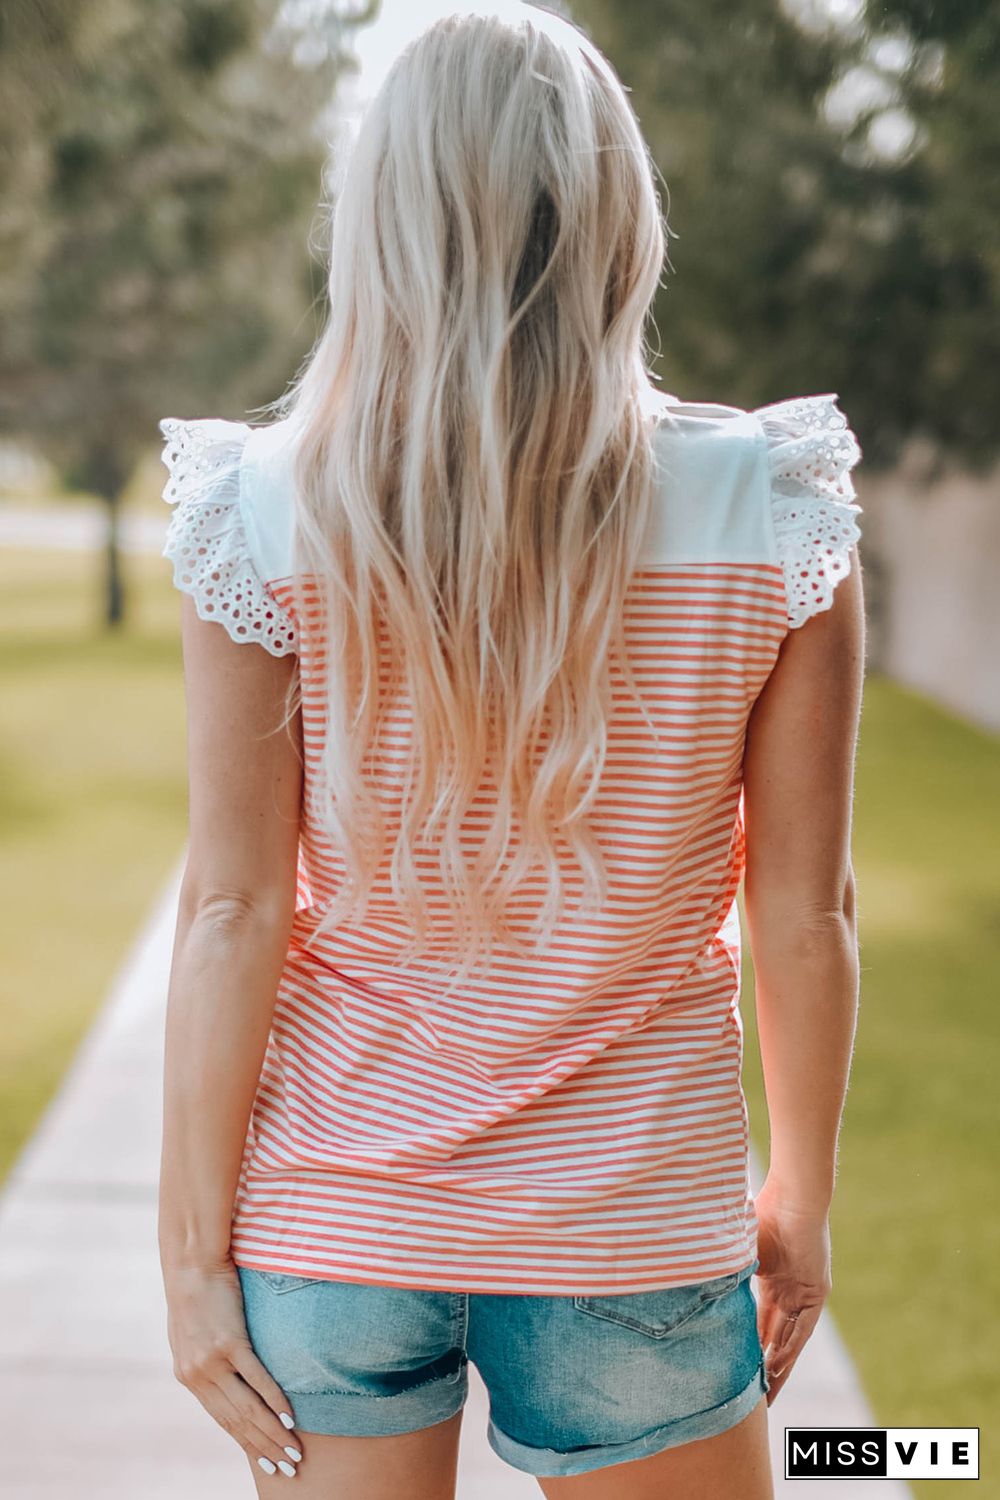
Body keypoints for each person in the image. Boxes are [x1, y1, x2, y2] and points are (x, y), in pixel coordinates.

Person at [156, 5, 864, 1497]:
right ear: (617, 214)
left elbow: (235, 908)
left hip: (335, 1226)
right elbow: (805, 914)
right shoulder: (772, 509)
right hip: (633, 1230)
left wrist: (191, 1251)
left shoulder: (259, 514)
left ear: (379, 225)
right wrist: (798, 1193)